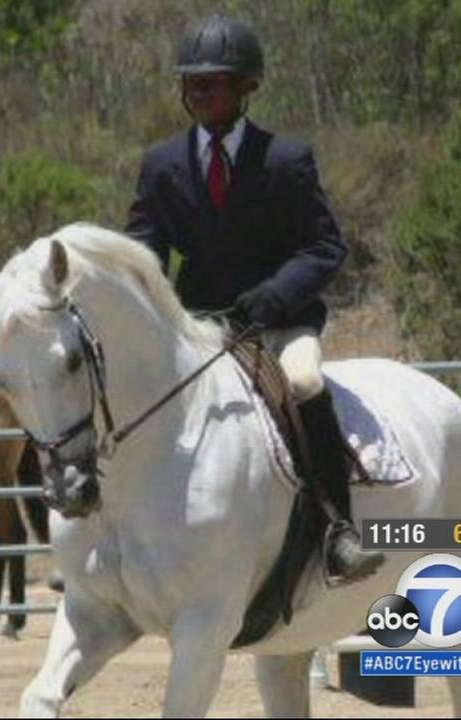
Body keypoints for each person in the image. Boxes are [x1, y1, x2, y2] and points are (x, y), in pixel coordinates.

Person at [125, 14, 382, 583]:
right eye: (190, 81)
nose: (197, 92)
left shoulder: (286, 160)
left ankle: (338, 530)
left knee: (306, 383)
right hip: (197, 326)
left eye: (211, 81)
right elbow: (143, 251)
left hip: (278, 322)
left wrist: (273, 296)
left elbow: (323, 245)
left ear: (247, 87)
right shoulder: (162, 164)